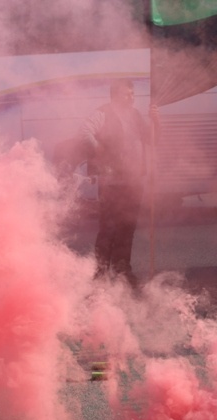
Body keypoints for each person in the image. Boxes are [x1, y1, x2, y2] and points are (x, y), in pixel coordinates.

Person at [82, 78, 158, 289]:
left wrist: (155, 121)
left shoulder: (135, 116)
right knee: (108, 227)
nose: (131, 97)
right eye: (127, 94)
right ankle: (101, 272)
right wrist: (99, 150)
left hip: (133, 180)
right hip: (111, 181)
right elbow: (85, 131)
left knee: (128, 226)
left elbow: (152, 140)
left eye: (133, 94)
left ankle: (123, 269)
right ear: (115, 95)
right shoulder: (103, 113)